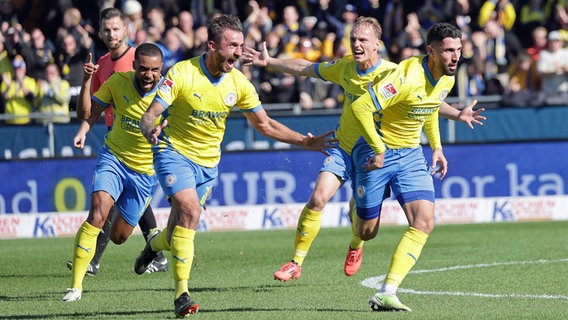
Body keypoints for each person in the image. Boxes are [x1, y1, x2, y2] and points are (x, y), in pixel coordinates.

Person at [242, 17, 486, 282]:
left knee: (367, 230)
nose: (356, 45)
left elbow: (427, 104)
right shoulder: (345, 67)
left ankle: (356, 243)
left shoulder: (392, 74)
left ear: (376, 45)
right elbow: (306, 68)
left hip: (374, 153)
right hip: (344, 147)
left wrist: (452, 122)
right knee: (318, 198)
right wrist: (272, 62)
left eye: (362, 41)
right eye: (353, 40)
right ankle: (295, 262)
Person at [132, 14, 336, 318]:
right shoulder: (183, 72)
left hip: (208, 164)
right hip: (173, 152)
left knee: (178, 230)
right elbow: (151, 114)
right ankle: (181, 296)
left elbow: (264, 125)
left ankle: (154, 244)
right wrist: (149, 129)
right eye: (232, 45)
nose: (239, 52)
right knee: (190, 211)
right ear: (212, 45)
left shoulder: (238, 82)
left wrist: (304, 142)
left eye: (241, 45)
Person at [348, 22, 462, 312]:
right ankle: (355, 232)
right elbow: (360, 107)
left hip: (411, 154)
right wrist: (378, 148)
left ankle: (387, 291)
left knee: (424, 221)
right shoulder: (404, 77)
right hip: (377, 151)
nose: (455, 56)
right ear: (431, 51)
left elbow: (431, 107)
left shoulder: (447, 78)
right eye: (448, 50)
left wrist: (436, 147)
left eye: (458, 50)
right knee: (366, 231)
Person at [66, 7, 168, 277]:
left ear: (127, 30)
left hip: (144, 149)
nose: (111, 34)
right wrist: (84, 129)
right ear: (100, 33)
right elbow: (95, 106)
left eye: (116, 29)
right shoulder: (101, 63)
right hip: (117, 142)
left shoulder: (140, 59)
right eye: (106, 30)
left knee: (122, 223)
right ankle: (94, 260)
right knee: (103, 204)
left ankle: (154, 253)